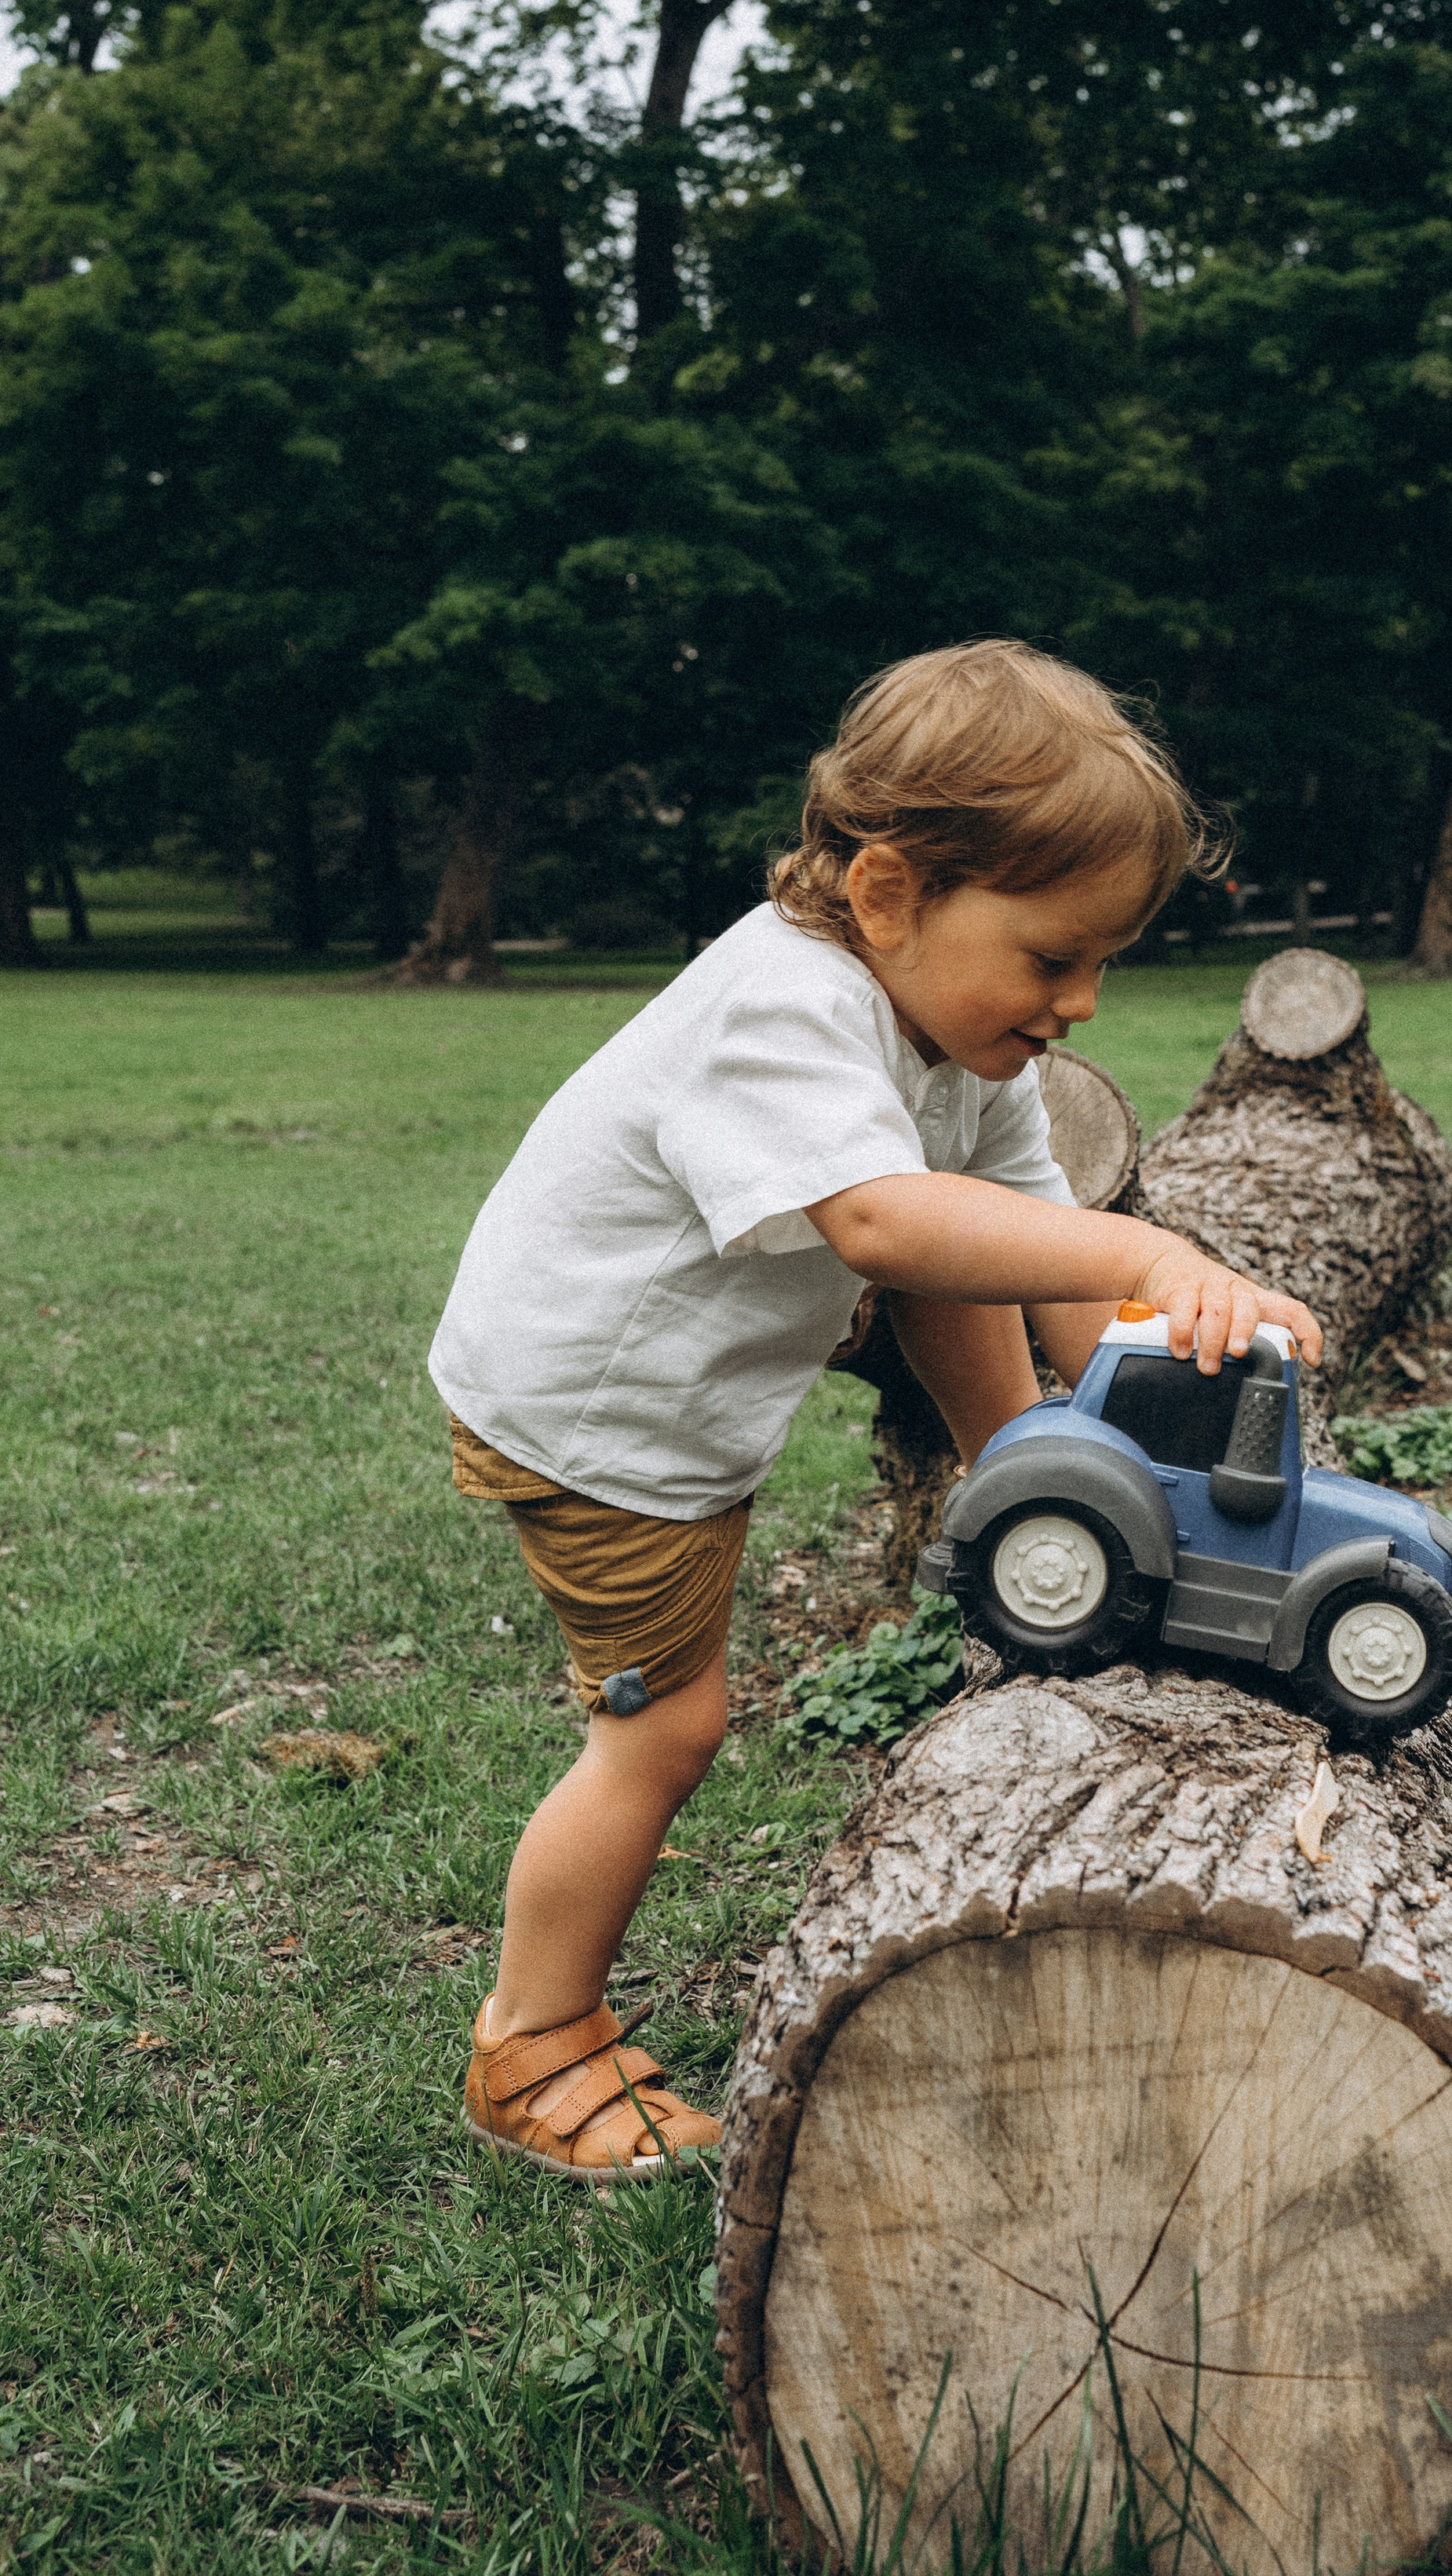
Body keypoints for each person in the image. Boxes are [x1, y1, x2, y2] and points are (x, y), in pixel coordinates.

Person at [432, 640, 1322, 2182]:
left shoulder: (946, 1040)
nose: (1080, 1001)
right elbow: (889, 1237)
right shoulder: (781, 1008)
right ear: (894, 893)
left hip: (667, 1413)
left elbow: (1013, 1257)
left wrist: (1155, 1359)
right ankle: (529, 2041)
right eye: (1052, 958)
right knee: (658, 1729)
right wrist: (1142, 1248)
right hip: (596, 1423)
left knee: (991, 1348)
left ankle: (1027, 1472)